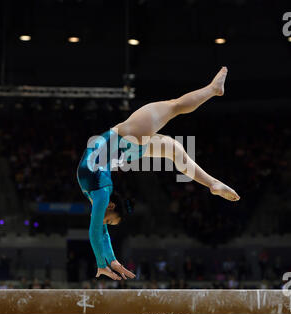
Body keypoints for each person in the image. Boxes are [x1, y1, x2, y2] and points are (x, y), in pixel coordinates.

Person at [77, 67, 240, 281]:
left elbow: (95, 232)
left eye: (109, 219)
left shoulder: (100, 193)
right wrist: (111, 262)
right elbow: (101, 232)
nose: (104, 222)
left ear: (112, 206)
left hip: (128, 136)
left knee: (176, 107)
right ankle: (212, 183)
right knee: (174, 143)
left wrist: (104, 264)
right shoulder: (98, 192)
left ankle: (213, 89)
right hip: (129, 144)